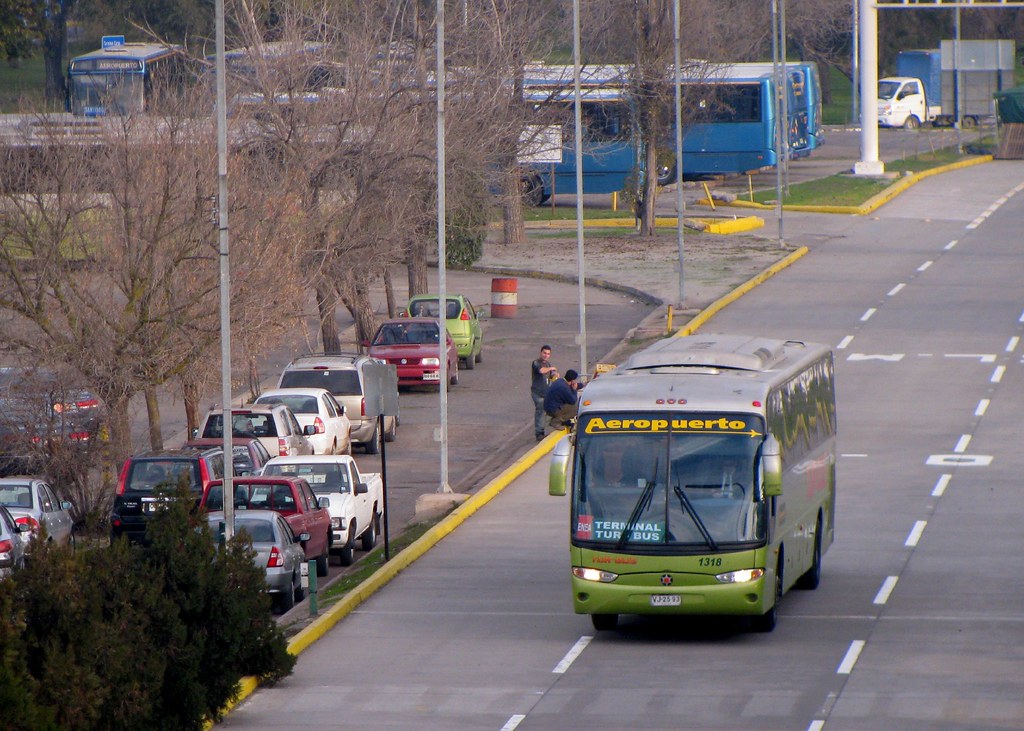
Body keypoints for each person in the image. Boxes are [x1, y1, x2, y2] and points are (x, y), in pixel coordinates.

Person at [531, 345, 557, 441]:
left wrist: (554, 374)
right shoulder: (536, 363)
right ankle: (539, 433)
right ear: (541, 353)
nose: (546, 355)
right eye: (544, 353)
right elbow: (541, 371)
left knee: (549, 411)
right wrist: (551, 369)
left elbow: (551, 376)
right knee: (540, 411)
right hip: (538, 393)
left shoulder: (548, 364)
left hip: (546, 393)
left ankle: (545, 428)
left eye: (548, 354)